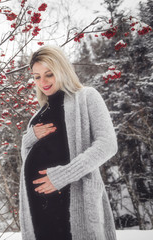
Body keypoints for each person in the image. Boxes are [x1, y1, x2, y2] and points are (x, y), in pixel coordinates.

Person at [19, 45, 118, 240]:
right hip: (37, 206)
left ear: (62, 70)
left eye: (49, 74)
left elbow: (107, 144)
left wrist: (63, 175)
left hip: (72, 203)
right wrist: (29, 138)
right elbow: (26, 158)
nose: (43, 82)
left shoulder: (87, 97)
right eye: (37, 76)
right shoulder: (38, 114)